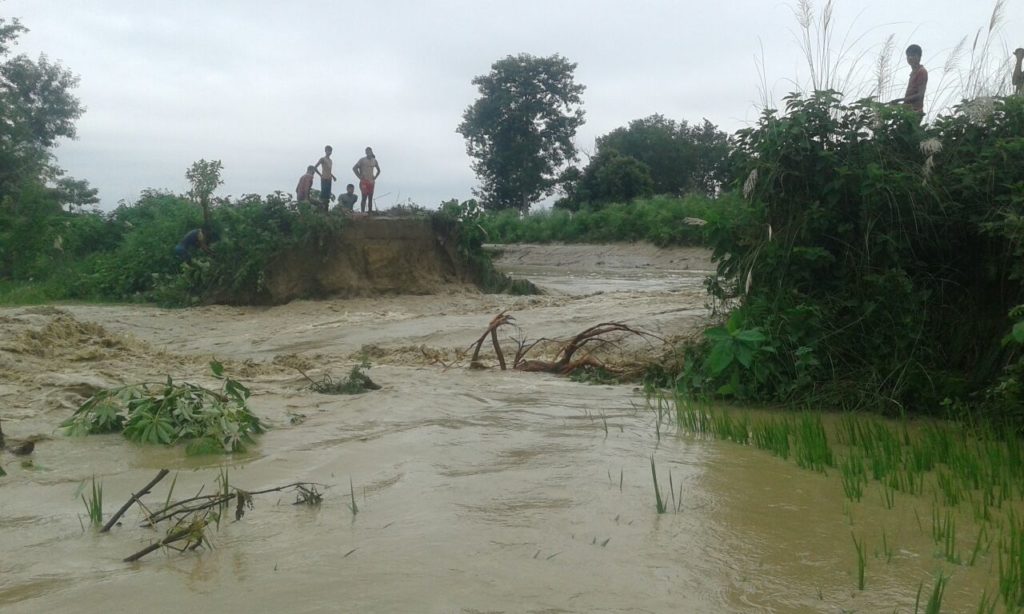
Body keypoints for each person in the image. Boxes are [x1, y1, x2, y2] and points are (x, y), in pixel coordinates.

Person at [890, 44, 928, 117]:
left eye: (913, 55)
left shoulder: (922, 72)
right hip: (908, 111)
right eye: (908, 56)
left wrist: (899, 100)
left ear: (919, 57)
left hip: (915, 112)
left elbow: (920, 94)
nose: (910, 58)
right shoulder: (913, 72)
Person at [352, 146, 381, 213]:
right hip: (364, 181)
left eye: (369, 151)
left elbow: (379, 170)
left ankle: (370, 212)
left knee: (370, 198)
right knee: (364, 197)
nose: (368, 153)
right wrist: (359, 176)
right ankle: (362, 212)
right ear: (365, 152)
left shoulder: (374, 160)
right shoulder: (362, 160)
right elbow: (354, 168)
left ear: (371, 152)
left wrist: (375, 177)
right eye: (367, 152)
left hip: (371, 182)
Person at [314, 145, 337, 212]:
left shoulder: (330, 160)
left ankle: (326, 210)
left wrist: (333, 176)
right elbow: (315, 167)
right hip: (324, 178)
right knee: (323, 195)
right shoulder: (322, 159)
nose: (329, 152)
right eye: (328, 150)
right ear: (325, 151)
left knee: (327, 195)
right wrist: (320, 175)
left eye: (330, 151)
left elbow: (329, 170)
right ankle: (321, 209)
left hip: (329, 179)